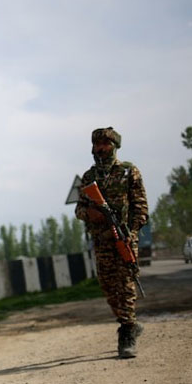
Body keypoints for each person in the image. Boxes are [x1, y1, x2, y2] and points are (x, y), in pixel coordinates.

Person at [75, 127, 149, 358]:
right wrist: (91, 214)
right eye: (97, 144)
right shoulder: (89, 178)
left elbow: (141, 207)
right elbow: (79, 209)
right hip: (102, 240)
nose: (101, 148)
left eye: (105, 144)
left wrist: (133, 232)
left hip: (125, 237)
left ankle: (127, 331)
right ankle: (130, 323)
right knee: (108, 287)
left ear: (115, 146)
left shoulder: (129, 172)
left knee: (126, 282)